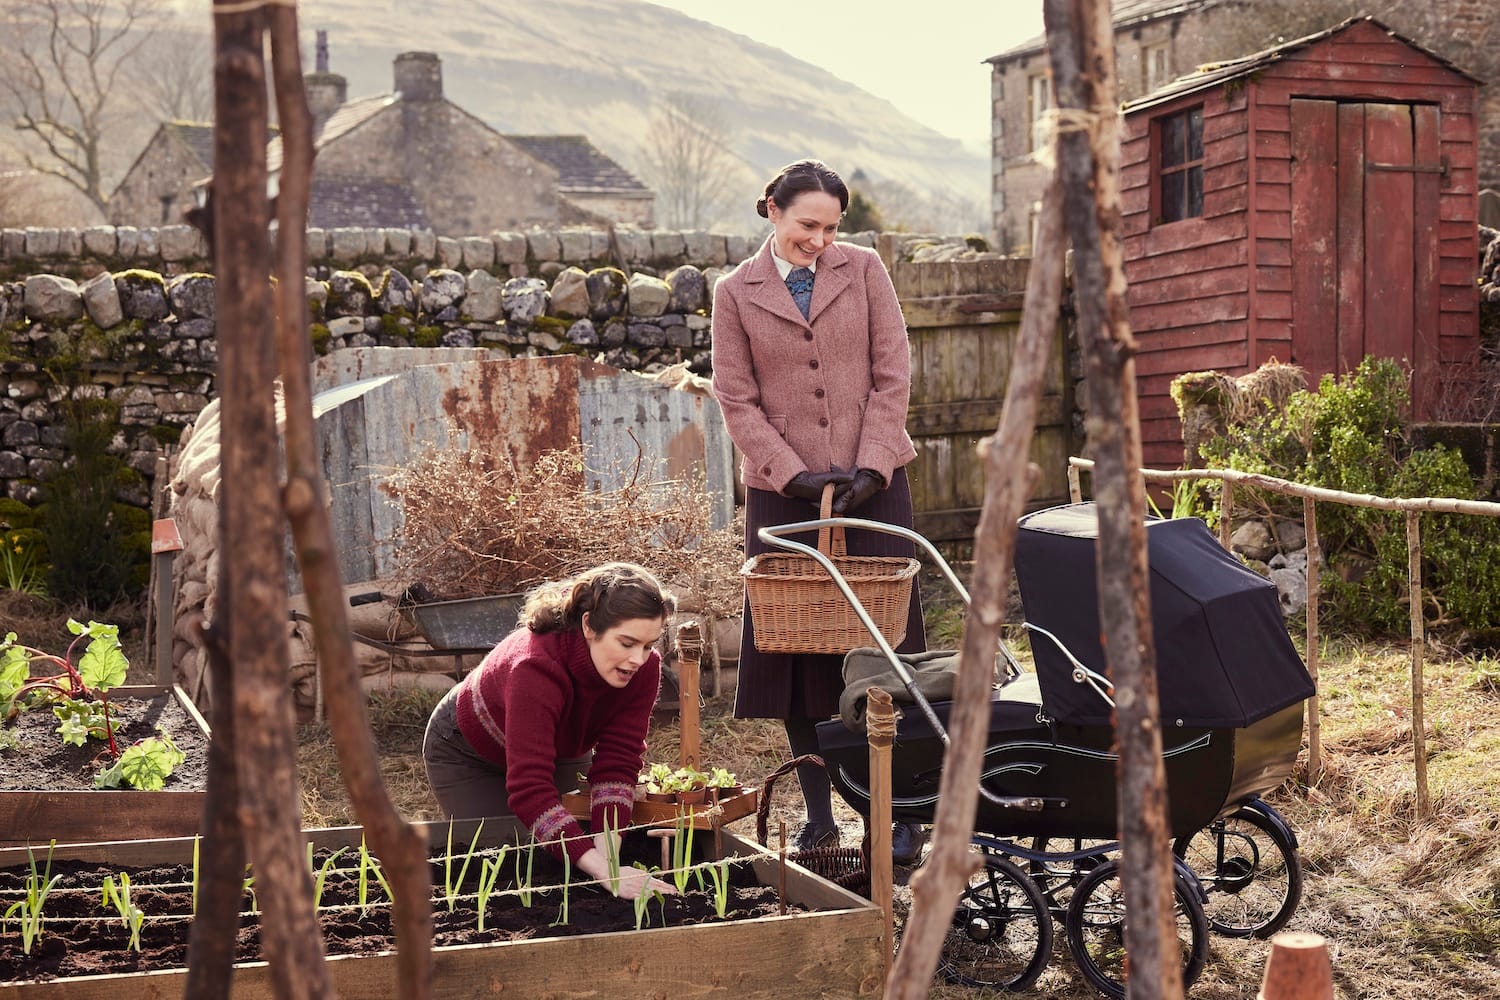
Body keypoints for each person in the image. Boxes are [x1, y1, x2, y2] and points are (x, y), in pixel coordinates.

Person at [710, 159, 927, 863]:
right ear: (770, 210)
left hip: (874, 485)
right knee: (798, 660)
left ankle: (900, 813)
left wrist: (874, 462)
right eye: (808, 225)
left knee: (883, 650)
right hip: (787, 498)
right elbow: (735, 399)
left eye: (832, 227)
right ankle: (819, 816)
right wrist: (792, 475)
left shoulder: (863, 271)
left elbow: (893, 371)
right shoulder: (734, 293)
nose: (821, 240)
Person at [422, 562, 677, 900]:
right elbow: (529, 789)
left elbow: (619, 761)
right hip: (467, 750)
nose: (638, 659)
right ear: (589, 625)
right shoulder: (535, 668)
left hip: (558, 746)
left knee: (572, 857)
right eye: (627, 643)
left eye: (647, 645)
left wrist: (611, 865)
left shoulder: (645, 670)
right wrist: (605, 872)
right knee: (504, 865)